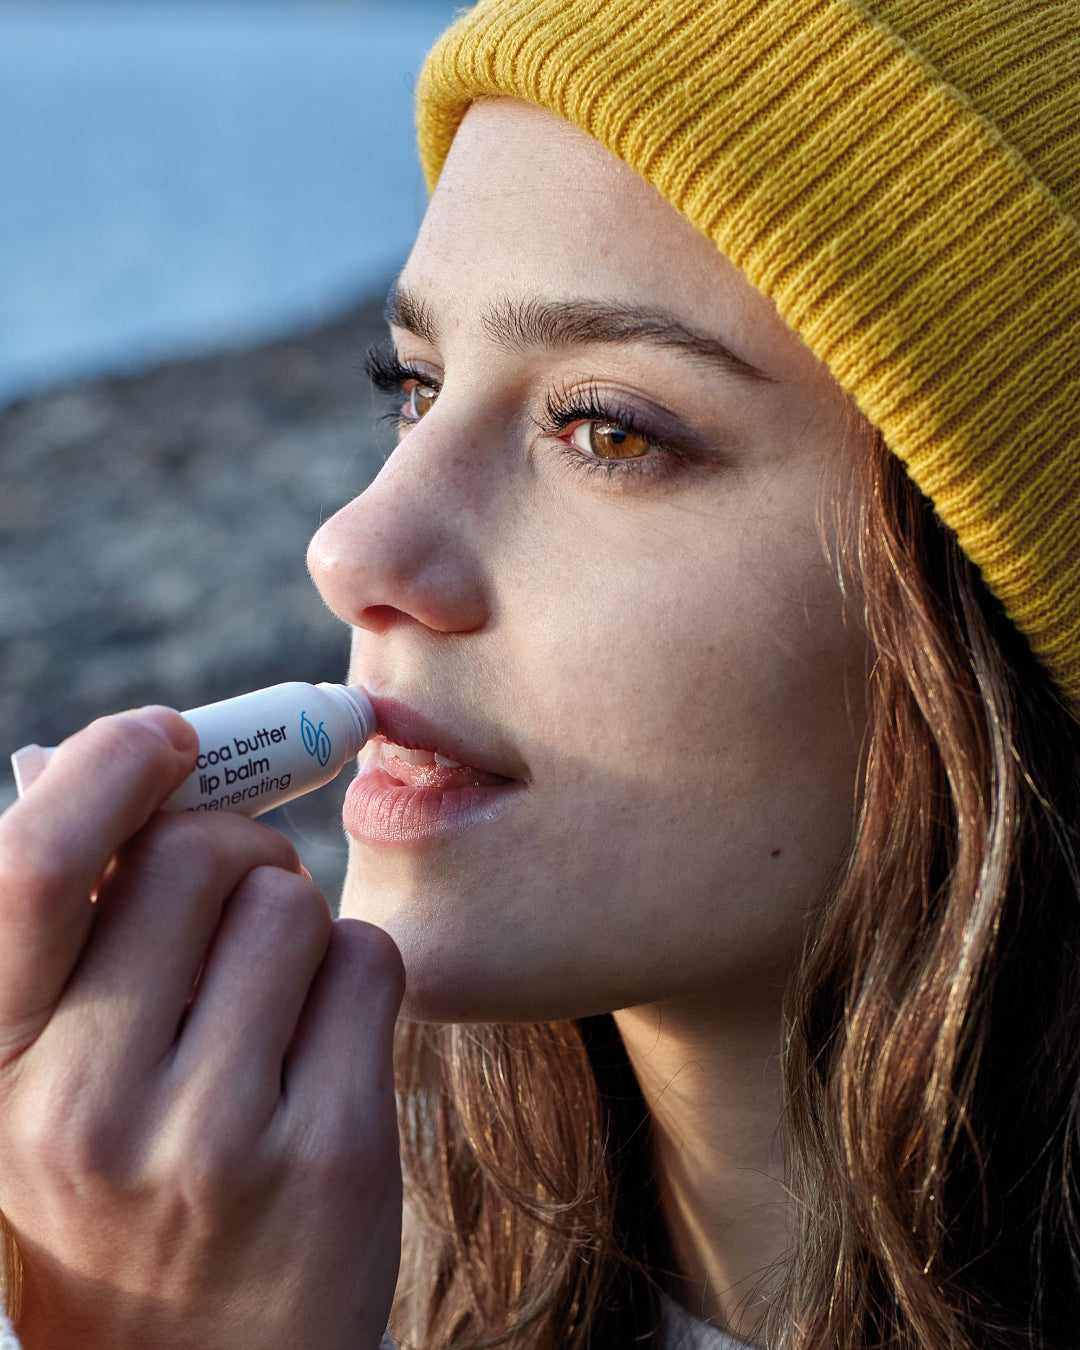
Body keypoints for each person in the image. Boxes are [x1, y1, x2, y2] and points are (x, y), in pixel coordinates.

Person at [1, 0, 1078, 1346]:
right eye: (412, 383)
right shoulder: (197, 1227)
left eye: (609, 430)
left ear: (992, 602)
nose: (354, 546)